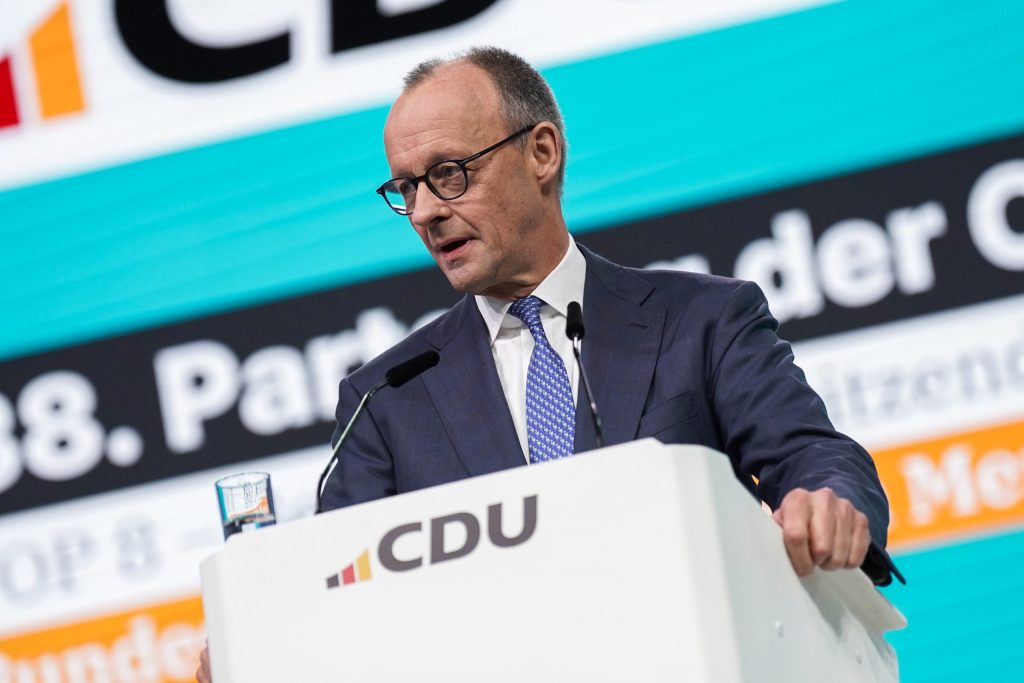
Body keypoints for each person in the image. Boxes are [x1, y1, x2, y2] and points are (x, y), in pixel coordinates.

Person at [197, 45, 898, 683]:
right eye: (406, 189)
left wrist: (827, 499)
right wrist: (266, 643)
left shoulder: (701, 319)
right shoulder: (385, 398)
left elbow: (812, 454)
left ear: (541, 152)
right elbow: (341, 595)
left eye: (448, 174)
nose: (425, 212)